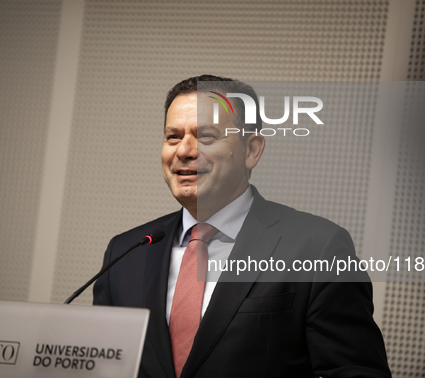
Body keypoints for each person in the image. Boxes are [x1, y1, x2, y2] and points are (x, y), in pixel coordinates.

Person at [93, 75, 391, 378]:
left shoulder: (318, 247)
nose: (184, 150)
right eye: (173, 137)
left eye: (206, 136)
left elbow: (357, 373)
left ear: (252, 150)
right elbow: (99, 367)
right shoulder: (126, 252)